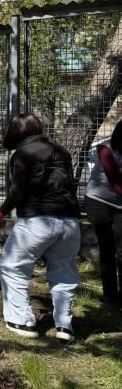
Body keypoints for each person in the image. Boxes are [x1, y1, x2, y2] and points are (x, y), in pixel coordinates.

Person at [0, 113, 80, 342]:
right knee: (64, 272)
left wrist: (0, 212)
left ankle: (22, 321)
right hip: (70, 222)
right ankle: (65, 326)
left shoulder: (23, 154)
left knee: (11, 266)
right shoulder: (61, 151)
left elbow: (19, 190)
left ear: (15, 132)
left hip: (38, 221)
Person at [84, 119, 122, 307]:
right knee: (108, 248)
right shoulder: (105, 150)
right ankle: (111, 296)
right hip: (98, 201)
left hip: (120, 204)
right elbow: (116, 183)